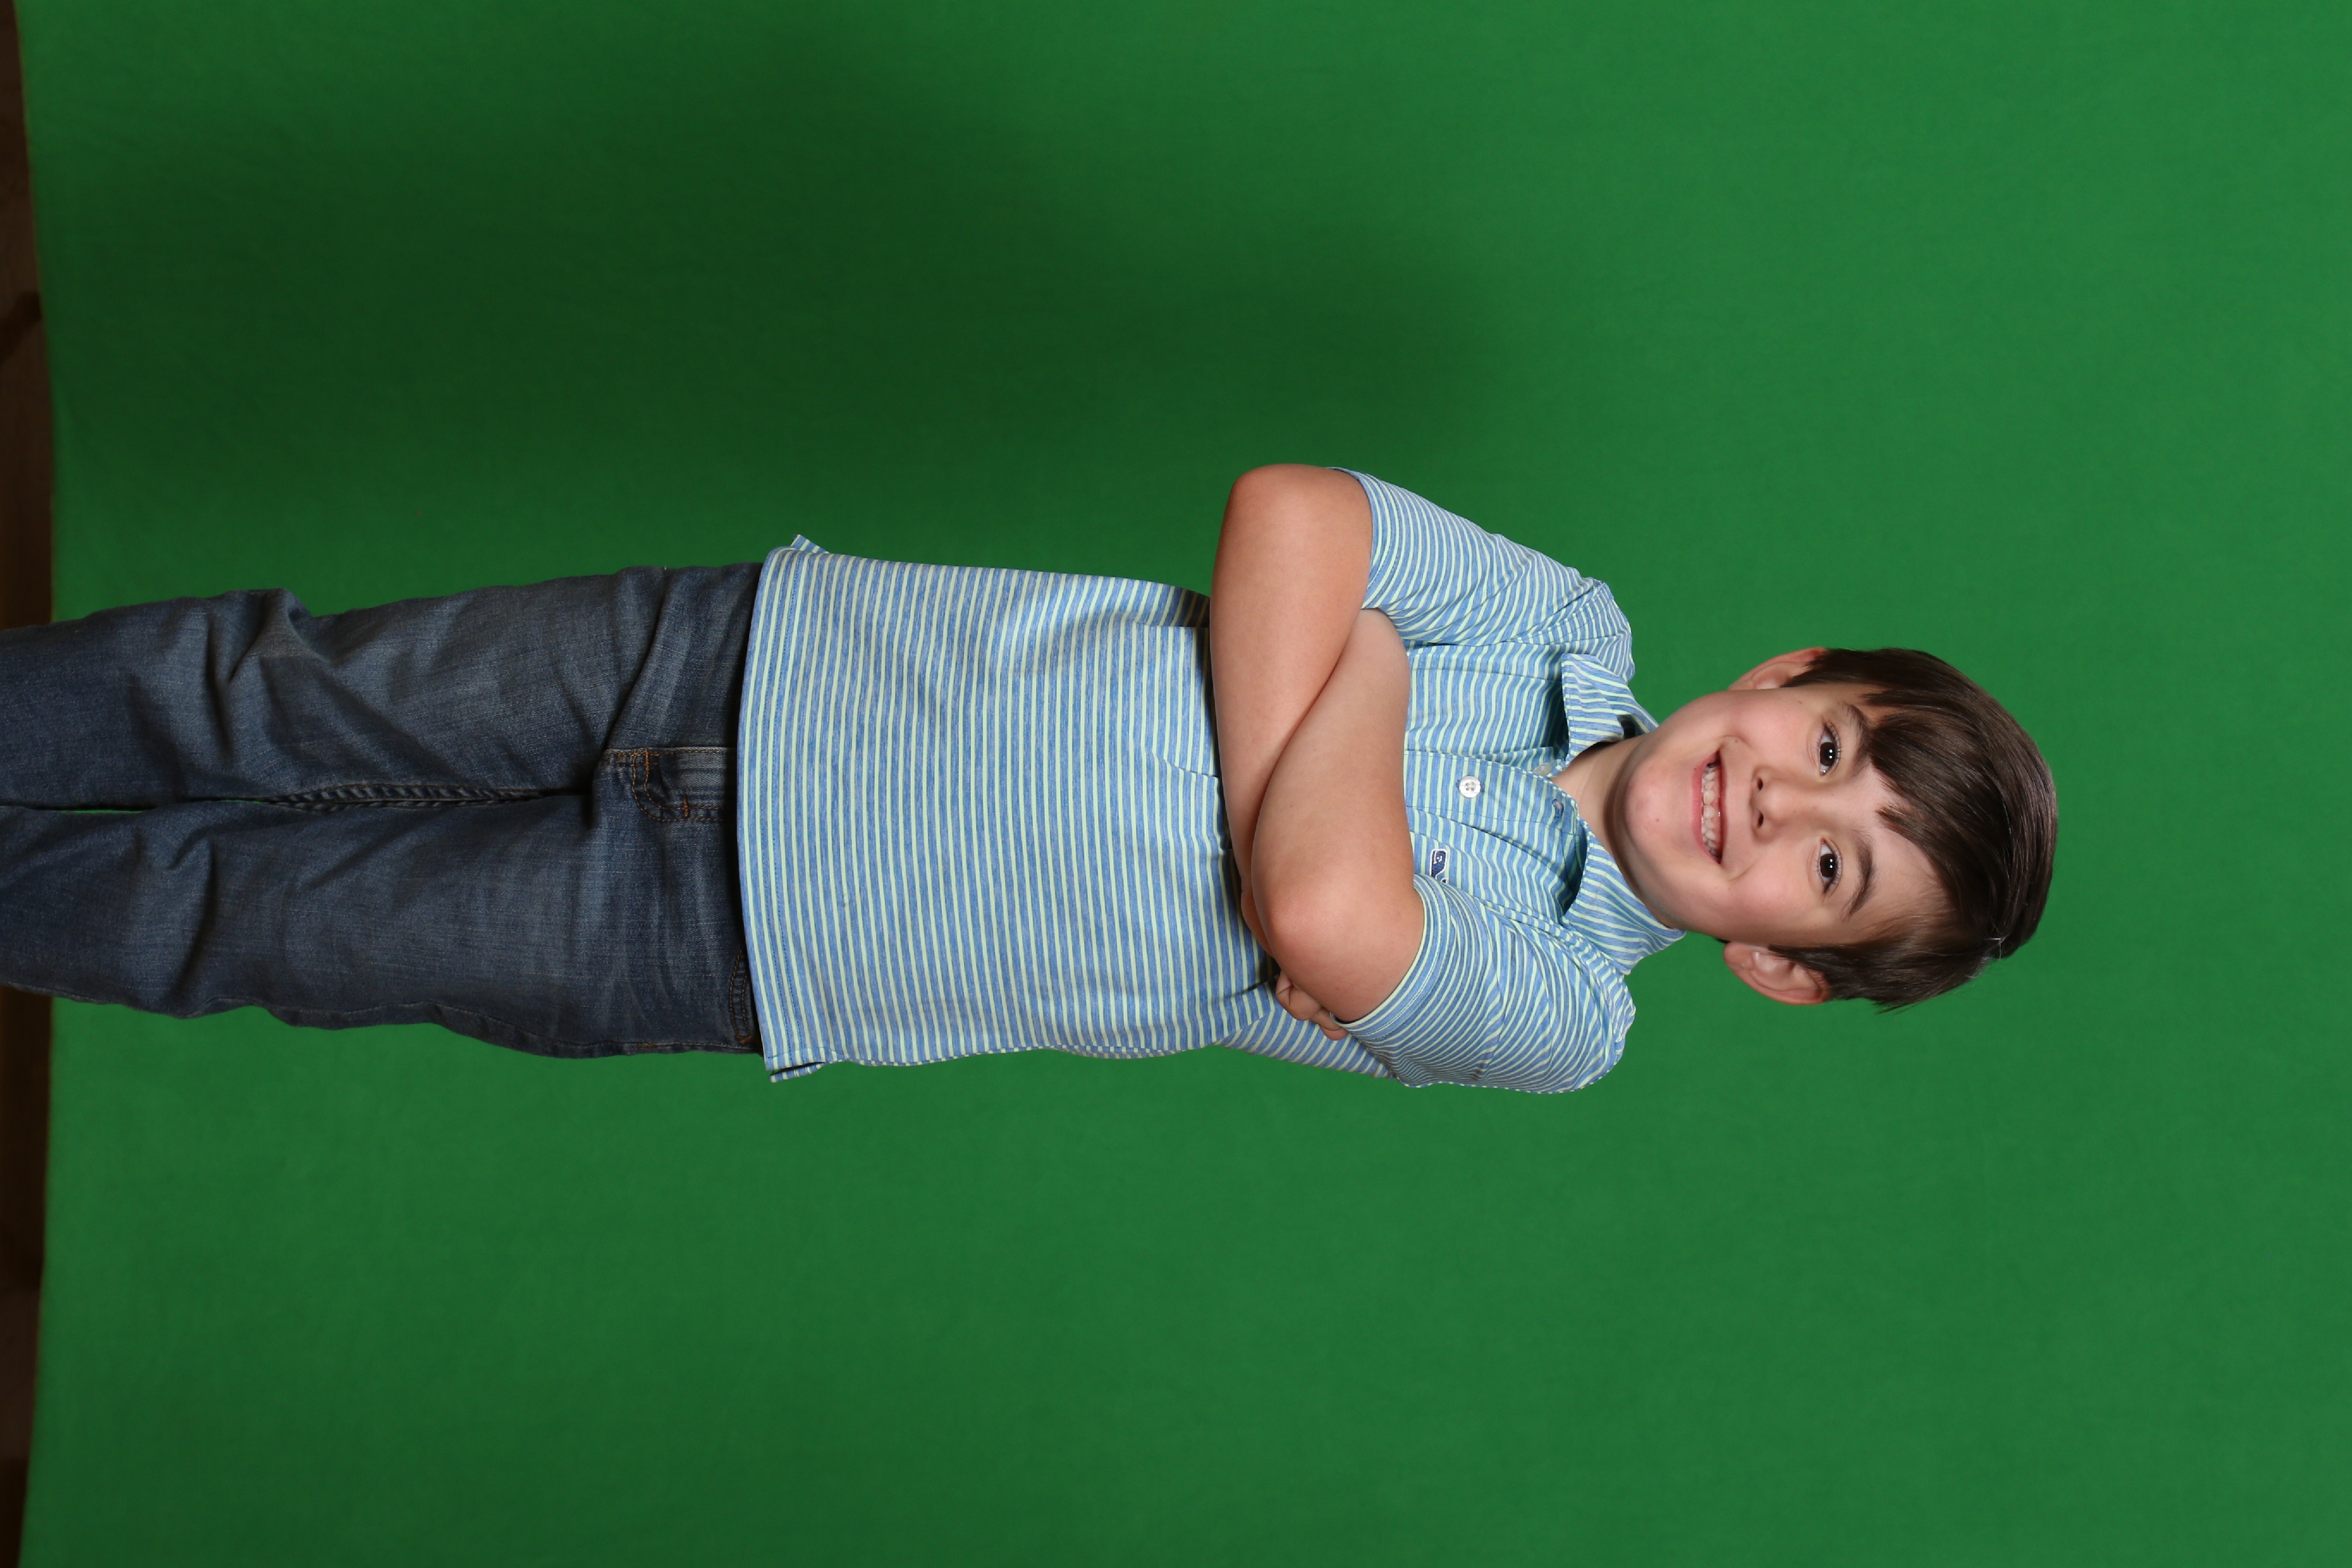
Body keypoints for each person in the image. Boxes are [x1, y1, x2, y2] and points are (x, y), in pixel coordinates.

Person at [0, 466, 2056, 1092]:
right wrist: (1335, 716)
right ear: (1789, 677)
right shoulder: (1565, 621)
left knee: (239, 917)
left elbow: (1324, 914)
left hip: (744, 939)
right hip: (753, 650)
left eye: (1831, 873)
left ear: (1782, 967)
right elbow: (1291, 512)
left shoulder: (1563, 1014)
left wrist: (1351, 662)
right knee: (259, 691)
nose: (1778, 806)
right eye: (1828, 752)